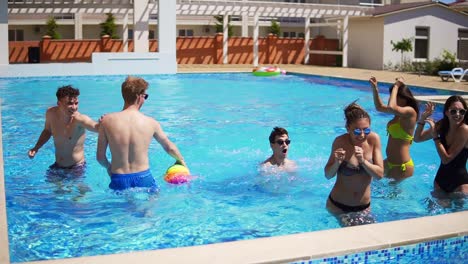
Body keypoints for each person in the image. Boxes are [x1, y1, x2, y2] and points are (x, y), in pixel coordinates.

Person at [97, 76, 188, 192]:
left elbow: (100, 158)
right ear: (139, 96)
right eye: (145, 96)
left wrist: (109, 167)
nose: (145, 100)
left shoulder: (106, 121)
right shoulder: (151, 123)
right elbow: (169, 147)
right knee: (150, 206)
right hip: (144, 177)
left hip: (118, 178)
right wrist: (182, 161)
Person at [324, 101, 384, 226]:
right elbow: (328, 175)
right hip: (338, 207)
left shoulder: (374, 140)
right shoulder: (340, 142)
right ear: (348, 129)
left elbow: (379, 175)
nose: (362, 135)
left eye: (366, 130)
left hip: (363, 208)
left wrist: (363, 161)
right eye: (357, 131)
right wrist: (337, 163)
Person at [28, 85, 99, 174]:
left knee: (77, 188)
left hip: (76, 167)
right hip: (58, 165)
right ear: (59, 103)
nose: (74, 107)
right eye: (70, 103)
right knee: (53, 186)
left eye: (76, 103)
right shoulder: (51, 113)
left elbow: (95, 127)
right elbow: (47, 131)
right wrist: (36, 148)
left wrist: (104, 123)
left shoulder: (80, 119)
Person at [414, 96, 468, 195]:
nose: (457, 114)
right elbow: (417, 139)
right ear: (447, 112)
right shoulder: (442, 125)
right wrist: (422, 119)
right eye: (453, 111)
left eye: (462, 111)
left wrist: (435, 137)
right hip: (440, 181)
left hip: (460, 184)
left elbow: (446, 159)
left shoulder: (465, 130)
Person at [369, 76, 419, 180]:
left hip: (401, 167)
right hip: (389, 162)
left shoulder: (410, 112)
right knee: (368, 181)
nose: (392, 98)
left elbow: (391, 107)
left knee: (392, 196)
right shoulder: (398, 114)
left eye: (394, 96)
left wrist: (397, 85)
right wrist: (375, 89)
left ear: (404, 97)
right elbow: (379, 107)